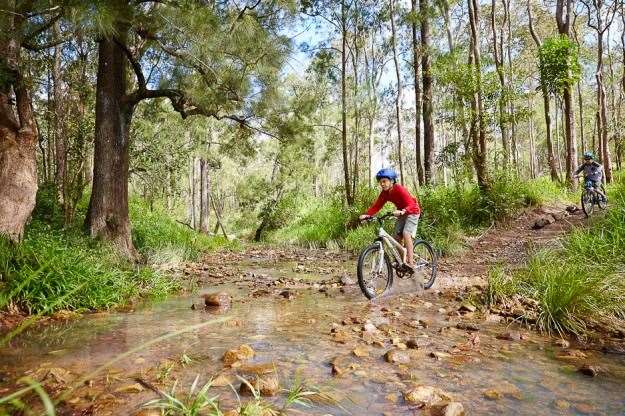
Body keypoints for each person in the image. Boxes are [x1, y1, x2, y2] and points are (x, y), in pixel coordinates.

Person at [359, 168, 421, 270]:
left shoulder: (399, 189)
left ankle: (410, 262)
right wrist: (367, 215)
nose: (382, 184)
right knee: (396, 237)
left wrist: (403, 211)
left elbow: (411, 204)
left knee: (406, 233)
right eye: (380, 182)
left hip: (412, 211)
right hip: (402, 212)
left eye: (384, 181)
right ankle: (402, 262)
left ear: (391, 181)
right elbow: (376, 206)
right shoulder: (384, 193)